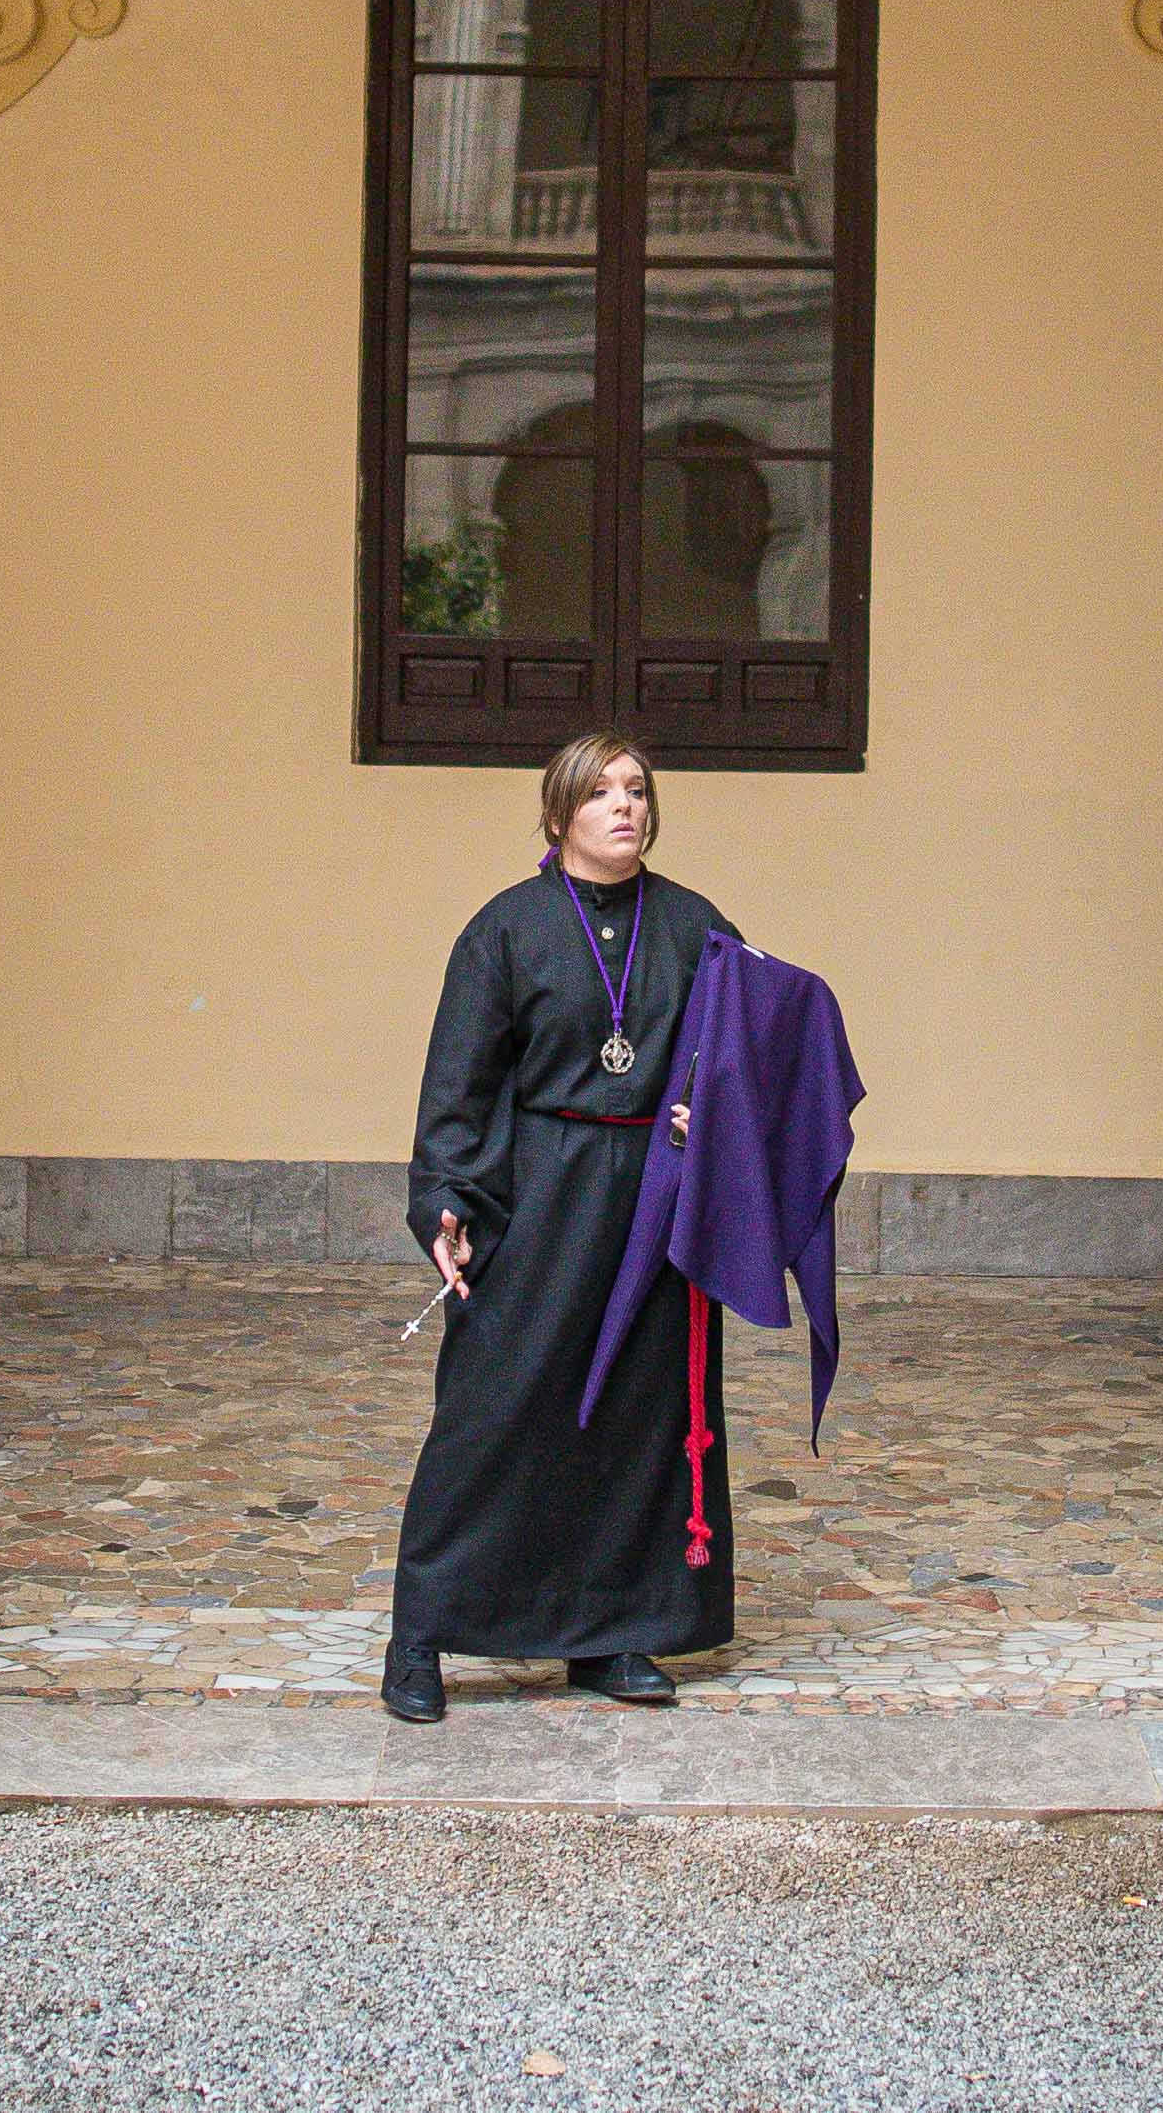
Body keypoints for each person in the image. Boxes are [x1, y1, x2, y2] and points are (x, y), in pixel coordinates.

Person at [382, 732, 738, 1722]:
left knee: (633, 1417)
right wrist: (445, 1196)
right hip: (540, 1192)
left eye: (637, 789)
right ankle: (420, 1634)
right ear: (558, 812)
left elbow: (746, 1052)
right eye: (599, 791)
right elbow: (461, 1078)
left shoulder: (697, 925)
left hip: (654, 1203)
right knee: (494, 1413)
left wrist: (703, 1107)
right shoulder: (506, 928)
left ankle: (610, 1635)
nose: (623, 805)